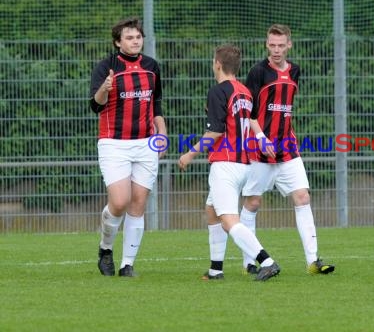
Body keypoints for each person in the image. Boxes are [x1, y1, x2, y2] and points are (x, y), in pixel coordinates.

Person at [237, 24, 335, 275]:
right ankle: (249, 260)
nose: (277, 49)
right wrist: (260, 138)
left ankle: (313, 261)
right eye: (272, 45)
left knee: (302, 197)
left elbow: (284, 108)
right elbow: (249, 113)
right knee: (253, 202)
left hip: (288, 148)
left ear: (289, 44)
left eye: (281, 45)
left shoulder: (295, 71)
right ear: (266, 44)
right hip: (260, 148)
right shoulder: (257, 72)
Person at [178, 44, 280, 282]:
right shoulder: (245, 92)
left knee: (228, 220)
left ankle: (267, 261)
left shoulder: (218, 91)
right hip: (244, 164)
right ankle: (215, 269)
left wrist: (189, 154)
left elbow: (215, 132)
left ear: (217, 64)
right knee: (212, 210)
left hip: (225, 164)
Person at [90, 17, 167, 277]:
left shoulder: (151, 66)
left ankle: (127, 265)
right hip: (114, 143)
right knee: (120, 201)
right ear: (118, 42)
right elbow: (96, 105)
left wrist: (162, 134)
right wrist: (105, 88)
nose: (135, 41)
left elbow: (155, 104)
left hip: (145, 143)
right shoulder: (106, 67)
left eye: (138, 37)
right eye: (129, 38)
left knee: (138, 203)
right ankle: (105, 248)